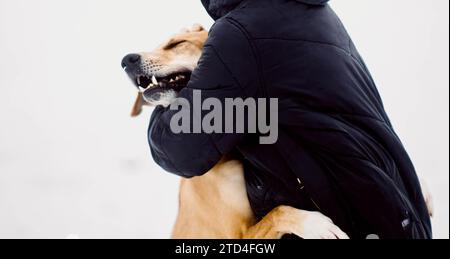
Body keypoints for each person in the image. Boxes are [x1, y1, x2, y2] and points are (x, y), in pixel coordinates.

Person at [148, 0, 432, 239]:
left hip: (351, 224)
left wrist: (162, 95)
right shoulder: (321, 16)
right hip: (401, 213)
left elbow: (180, 147)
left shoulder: (240, 33)